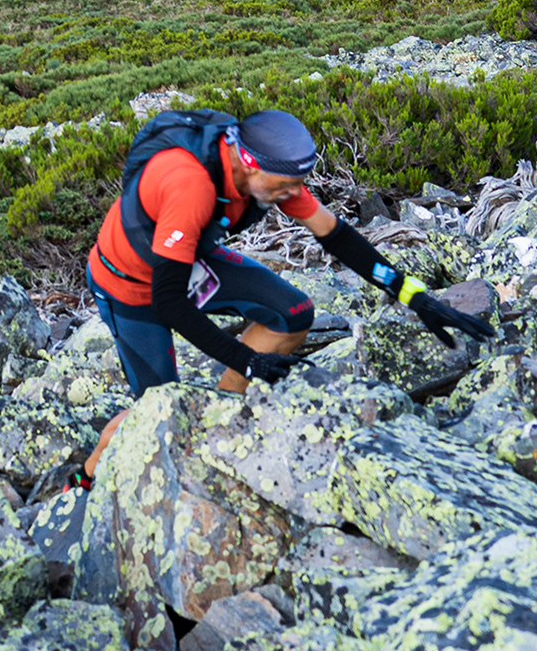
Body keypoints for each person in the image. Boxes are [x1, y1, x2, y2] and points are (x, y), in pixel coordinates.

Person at [82, 103, 492, 475]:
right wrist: (248, 361)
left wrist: (412, 295)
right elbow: (168, 300)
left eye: (299, 183)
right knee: (158, 411)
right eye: (287, 185)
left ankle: (220, 416)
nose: (295, 193)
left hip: (188, 263)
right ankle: (86, 477)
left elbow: (335, 235)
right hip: (128, 286)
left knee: (291, 313)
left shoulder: (268, 171)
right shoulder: (190, 184)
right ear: (247, 162)